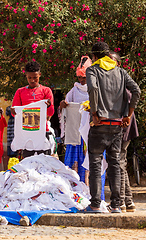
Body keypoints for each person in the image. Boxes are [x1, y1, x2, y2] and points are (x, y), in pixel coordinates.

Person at [86, 42, 141, 213]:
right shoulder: (121, 72)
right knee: (115, 164)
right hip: (117, 125)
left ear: (94, 56)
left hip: (100, 123)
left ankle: (95, 203)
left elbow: (94, 89)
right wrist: (128, 115)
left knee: (95, 164)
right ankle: (116, 205)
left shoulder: (92, 70)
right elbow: (137, 91)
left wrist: (95, 113)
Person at [110, 52, 138, 212]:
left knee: (118, 163)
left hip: (122, 127)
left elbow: (135, 94)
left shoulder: (122, 81)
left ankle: (121, 201)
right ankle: (128, 201)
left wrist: (127, 116)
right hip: (120, 125)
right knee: (120, 163)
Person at [11, 60, 55, 158]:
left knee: (45, 164)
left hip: (43, 132)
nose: (32, 80)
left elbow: (51, 112)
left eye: (35, 77)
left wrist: (47, 106)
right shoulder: (20, 92)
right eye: (29, 77)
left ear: (39, 75)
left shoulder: (46, 91)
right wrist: (14, 111)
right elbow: (15, 113)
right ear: (26, 75)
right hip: (27, 134)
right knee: (28, 164)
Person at [59, 56, 92, 184]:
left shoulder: (95, 89)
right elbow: (65, 107)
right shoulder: (74, 90)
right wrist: (63, 105)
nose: (82, 80)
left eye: (84, 78)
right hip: (75, 134)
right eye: (79, 77)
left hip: (89, 134)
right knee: (73, 163)